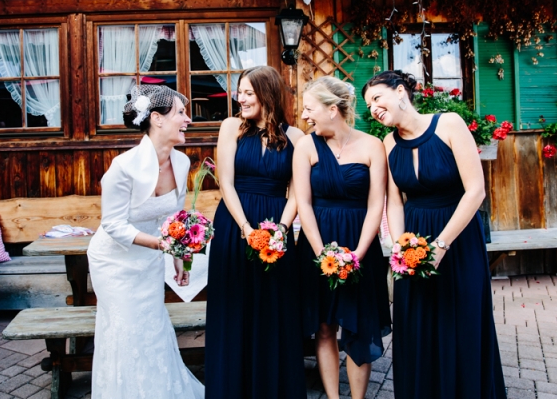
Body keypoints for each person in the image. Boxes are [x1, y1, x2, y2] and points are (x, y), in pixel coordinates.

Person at [363, 71, 506, 399]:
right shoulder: (388, 143)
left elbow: (475, 191)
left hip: (457, 236)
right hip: (413, 237)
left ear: (400, 92)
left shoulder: (449, 124)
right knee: (418, 322)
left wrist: (441, 244)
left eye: (377, 99)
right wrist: (401, 247)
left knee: (463, 318)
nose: (372, 108)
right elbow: (395, 202)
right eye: (368, 104)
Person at [87, 84, 204, 399]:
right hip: (114, 262)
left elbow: (174, 219)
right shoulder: (122, 167)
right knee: (126, 331)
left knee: (151, 328)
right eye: (181, 113)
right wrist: (159, 245)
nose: (187, 120)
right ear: (157, 119)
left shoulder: (181, 163)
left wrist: (180, 258)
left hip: (150, 262)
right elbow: (112, 224)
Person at [205, 66, 306, 399]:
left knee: (275, 310)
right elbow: (227, 184)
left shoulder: (296, 138)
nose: (241, 98)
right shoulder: (231, 127)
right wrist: (246, 228)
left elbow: (297, 192)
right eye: (240, 91)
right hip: (236, 226)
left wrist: (280, 230)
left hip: (278, 228)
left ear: (268, 94)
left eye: (249, 92)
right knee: (233, 307)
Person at [294, 76, 391, 399]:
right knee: (324, 326)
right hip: (316, 243)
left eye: (310, 109)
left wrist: (359, 253)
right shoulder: (306, 146)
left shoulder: (372, 146)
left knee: (359, 325)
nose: (305, 116)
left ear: (332, 109)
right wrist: (322, 253)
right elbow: (303, 202)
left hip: (360, 242)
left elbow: (377, 202)